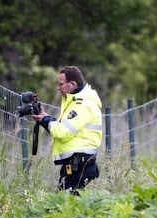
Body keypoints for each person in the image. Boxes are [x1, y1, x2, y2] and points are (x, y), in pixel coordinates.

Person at [32, 65, 103, 193]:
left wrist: (45, 120)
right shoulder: (75, 101)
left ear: (72, 84)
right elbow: (64, 127)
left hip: (80, 163)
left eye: (61, 84)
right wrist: (45, 117)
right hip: (77, 161)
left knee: (66, 200)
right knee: (68, 199)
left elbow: (63, 132)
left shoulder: (82, 104)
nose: (58, 88)